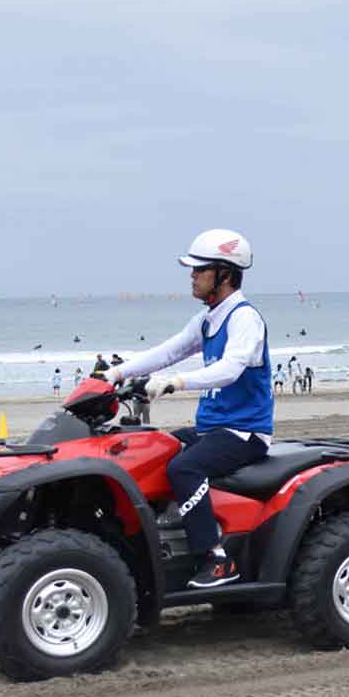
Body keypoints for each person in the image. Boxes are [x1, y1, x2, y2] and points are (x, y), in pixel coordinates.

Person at [105, 228, 270, 589]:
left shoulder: (245, 318)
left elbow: (230, 369)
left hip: (244, 432)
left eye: (199, 270)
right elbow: (170, 350)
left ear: (224, 275)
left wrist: (177, 382)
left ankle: (215, 558)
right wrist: (114, 373)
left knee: (184, 467)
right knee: (151, 450)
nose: (192, 276)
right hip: (213, 429)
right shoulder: (208, 318)